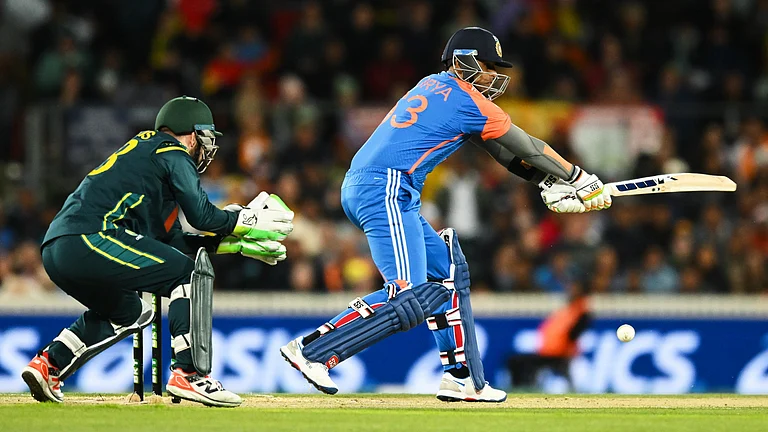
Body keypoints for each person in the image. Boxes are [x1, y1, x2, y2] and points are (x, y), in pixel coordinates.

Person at [280, 27, 611, 402]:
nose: (493, 76)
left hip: (384, 188)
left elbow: (503, 153)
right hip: (385, 188)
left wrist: (546, 182)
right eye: (487, 66)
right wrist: (576, 177)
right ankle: (312, 351)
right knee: (407, 295)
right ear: (463, 61)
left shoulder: (435, 86)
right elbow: (528, 145)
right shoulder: (466, 99)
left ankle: (463, 378)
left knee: (449, 274)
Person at [21, 96, 294, 407]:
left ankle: (48, 365)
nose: (206, 149)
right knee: (187, 273)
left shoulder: (146, 161)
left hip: (59, 247)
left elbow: (173, 244)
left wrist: (238, 244)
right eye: (205, 139)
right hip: (90, 236)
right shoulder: (172, 151)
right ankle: (189, 373)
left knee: (131, 312)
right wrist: (245, 219)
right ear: (193, 135)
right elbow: (202, 217)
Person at [507, 283, 592, 389]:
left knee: (518, 361)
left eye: (575, 290)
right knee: (514, 360)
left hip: (558, 354)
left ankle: (523, 387)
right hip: (548, 351)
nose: (571, 292)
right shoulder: (569, 310)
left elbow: (574, 335)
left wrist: (566, 349)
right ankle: (521, 387)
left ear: (582, 293)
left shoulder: (581, 313)